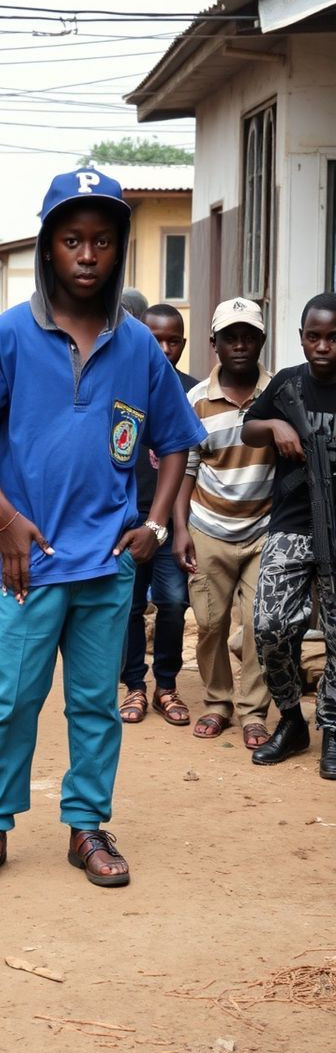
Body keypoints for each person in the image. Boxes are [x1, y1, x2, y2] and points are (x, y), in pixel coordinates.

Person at [0, 166, 204, 887]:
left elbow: (176, 440)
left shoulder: (139, 346)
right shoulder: (9, 336)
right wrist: (5, 517)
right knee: (12, 700)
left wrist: (155, 524)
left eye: (102, 240)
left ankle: (86, 825)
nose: (87, 255)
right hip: (28, 562)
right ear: (48, 248)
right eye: (71, 240)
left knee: (95, 705)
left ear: (119, 248)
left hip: (108, 563)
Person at [172, 298, 274, 749]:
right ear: (214, 343)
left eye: (249, 336)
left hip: (264, 530)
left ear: (261, 341)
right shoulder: (195, 400)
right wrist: (179, 529)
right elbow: (185, 468)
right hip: (208, 528)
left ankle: (254, 712)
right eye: (230, 337)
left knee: (259, 624)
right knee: (210, 624)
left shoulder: (279, 393)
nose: (240, 345)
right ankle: (217, 703)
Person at [241, 293, 336, 775]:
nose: (322, 346)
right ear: (301, 338)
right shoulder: (287, 383)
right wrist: (276, 424)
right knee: (269, 625)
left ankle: (333, 729)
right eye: (313, 336)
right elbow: (248, 429)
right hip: (293, 523)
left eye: (333, 337)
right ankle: (292, 721)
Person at [120, 304, 197, 726]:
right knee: (129, 606)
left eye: (173, 341)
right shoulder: (121, 387)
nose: (165, 349)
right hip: (125, 521)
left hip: (169, 522)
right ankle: (134, 684)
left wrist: (176, 524)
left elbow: (193, 463)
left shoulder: (191, 393)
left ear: (184, 344)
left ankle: (166, 684)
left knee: (172, 601)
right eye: (155, 340)